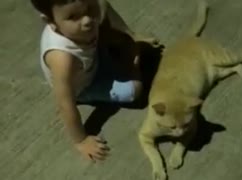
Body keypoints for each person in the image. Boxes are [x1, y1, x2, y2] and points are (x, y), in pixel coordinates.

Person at [30, 0, 158, 162]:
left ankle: (131, 37)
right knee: (134, 90)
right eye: (73, 16)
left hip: (92, 57)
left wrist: (128, 37)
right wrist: (81, 140)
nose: (87, 20)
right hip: (85, 86)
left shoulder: (85, 22)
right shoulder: (62, 59)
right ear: (51, 22)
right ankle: (130, 63)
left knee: (103, 6)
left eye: (89, 8)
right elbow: (64, 102)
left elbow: (97, 12)